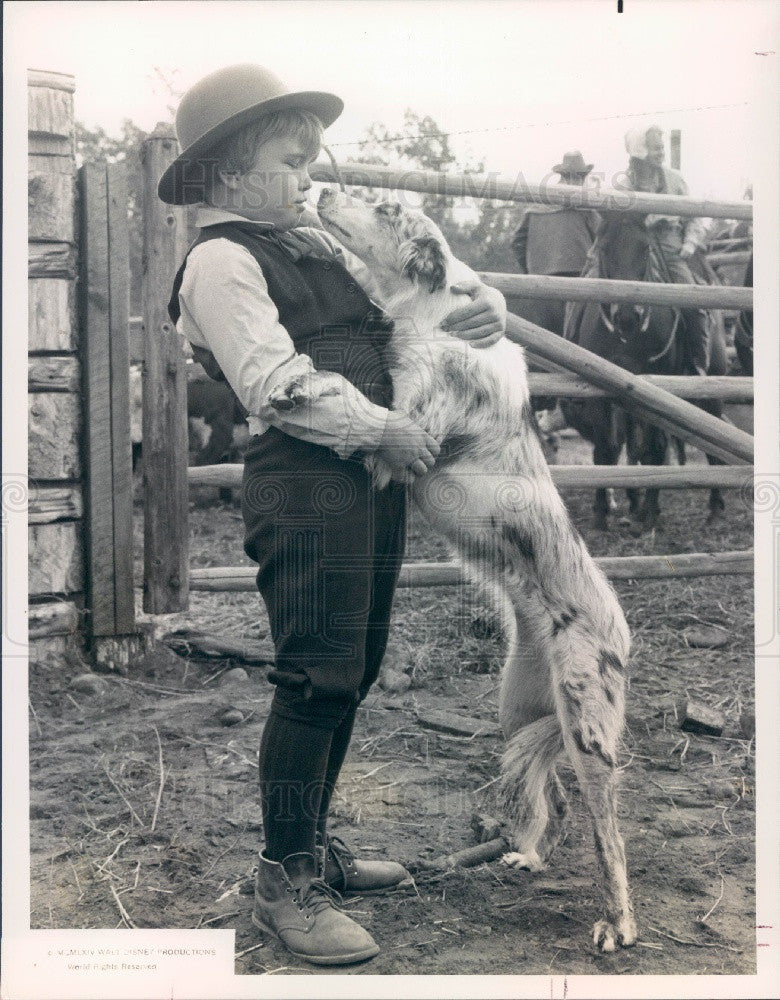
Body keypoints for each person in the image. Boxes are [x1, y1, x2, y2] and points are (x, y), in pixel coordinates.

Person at [158, 64, 506, 966]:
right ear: (231, 174)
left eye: (310, 157)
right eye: (290, 158)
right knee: (316, 673)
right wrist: (382, 426)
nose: (308, 175)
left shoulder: (318, 240)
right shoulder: (220, 261)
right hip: (302, 480)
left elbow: (435, 288)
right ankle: (283, 879)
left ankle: (315, 849)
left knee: (354, 665)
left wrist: (484, 309)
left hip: (368, 478)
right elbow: (274, 384)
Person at [622, 125, 712, 376]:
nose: (660, 152)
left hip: (670, 243)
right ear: (641, 152)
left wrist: (690, 243)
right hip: (637, 243)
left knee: (692, 301)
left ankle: (698, 364)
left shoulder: (675, 179)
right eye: (655, 147)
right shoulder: (627, 183)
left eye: (662, 147)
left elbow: (694, 215)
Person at [511, 150, 600, 283]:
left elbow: (517, 242)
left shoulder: (536, 205)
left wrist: (531, 269)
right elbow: (600, 239)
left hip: (539, 279)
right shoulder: (585, 205)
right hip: (579, 275)